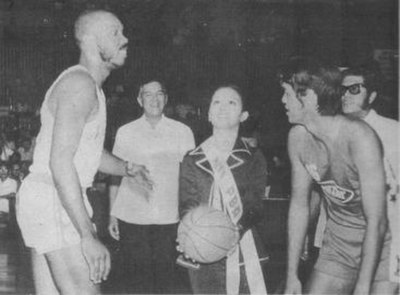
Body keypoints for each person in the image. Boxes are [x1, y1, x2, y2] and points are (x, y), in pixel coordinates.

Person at [16, 10, 150, 295]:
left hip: (44, 198)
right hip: (55, 197)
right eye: (115, 32)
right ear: (90, 40)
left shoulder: (90, 87)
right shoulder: (80, 85)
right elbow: (60, 163)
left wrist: (127, 168)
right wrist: (87, 234)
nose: (125, 39)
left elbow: (87, 152)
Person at [280, 58, 396, 294]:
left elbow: (378, 220)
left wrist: (362, 287)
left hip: (387, 239)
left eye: (287, 94)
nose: (282, 101)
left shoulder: (359, 137)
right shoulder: (298, 138)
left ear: (309, 97)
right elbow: (299, 205)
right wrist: (292, 275)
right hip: (339, 241)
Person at [179, 85, 268, 294]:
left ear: (243, 115)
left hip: (243, 246)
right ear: (209, 114)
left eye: (232, 102)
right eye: (217, 102)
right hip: (202, 251)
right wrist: (189, 233)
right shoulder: (192, 159)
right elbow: (187, 206)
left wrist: (231, 233)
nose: (223, 107)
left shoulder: (254, 157)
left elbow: (256, 204)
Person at [108, 80, 195, 294]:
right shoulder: (125, 132)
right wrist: (112, 214)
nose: (154, 99)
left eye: (159, 94)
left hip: (168, 218)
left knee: (166, 282)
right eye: (148, 95)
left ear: (166, 98)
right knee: (137, 283)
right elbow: (115, 175)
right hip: (132, 217)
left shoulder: (183, 132)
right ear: (139, 100)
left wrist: (190, 217)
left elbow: (190, 179)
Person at [341, 65, 399, 287]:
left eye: (354, 89)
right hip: (346, 244)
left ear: (372, 95)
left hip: (389, 239)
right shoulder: (336, 131)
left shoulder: (393, 131)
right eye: (342, 89)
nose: (345, 95)